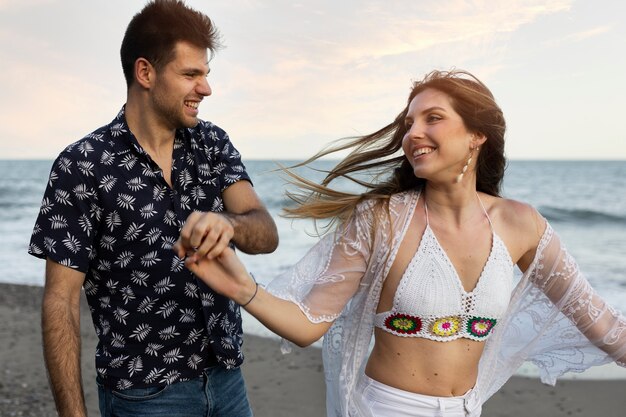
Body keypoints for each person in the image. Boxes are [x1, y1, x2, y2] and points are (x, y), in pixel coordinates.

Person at [174, 69, 626, 417]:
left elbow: (601, 324)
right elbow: (310, 323)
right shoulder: (382, 218)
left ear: (476, 135)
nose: (413, 134)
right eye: (409, 123)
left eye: (433, 119)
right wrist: (242, 289)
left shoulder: (521, 224)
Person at [28, 1, 279, 416]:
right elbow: (60, 301)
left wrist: (228, 224)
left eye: (206, 74)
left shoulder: (212, 144)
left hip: (228, 380)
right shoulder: (81, 165)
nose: (206, 88)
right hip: (143, 397)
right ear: (145, 73)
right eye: (190, 74)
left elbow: (265, 232)